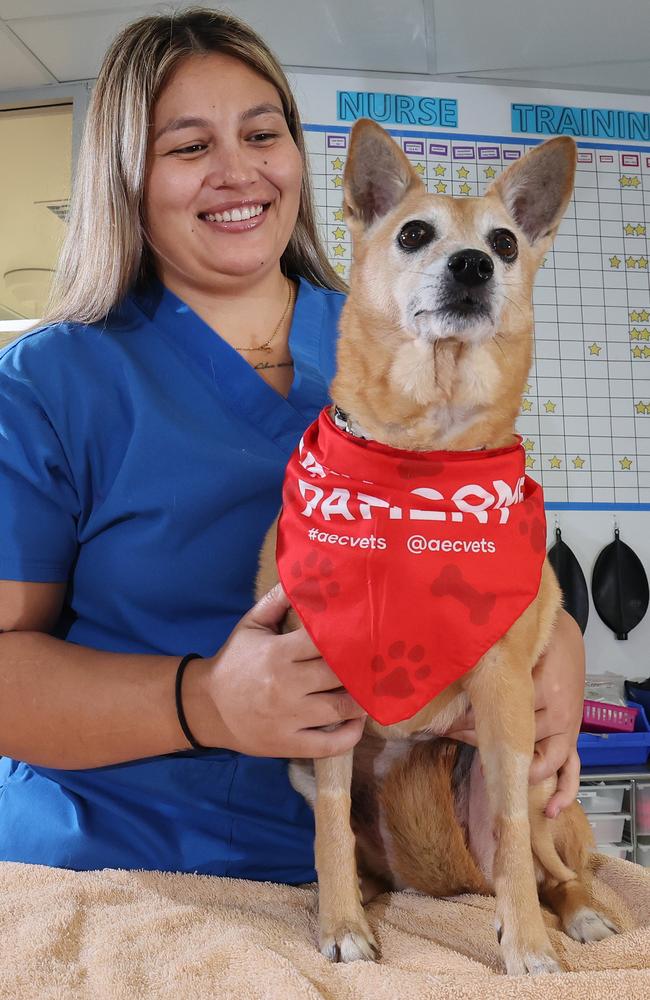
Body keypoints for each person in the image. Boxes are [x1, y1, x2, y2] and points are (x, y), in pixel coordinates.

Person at [0, 7, 585, 882]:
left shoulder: (408, 340)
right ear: (127, 176)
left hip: (377, 869)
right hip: (118, 862)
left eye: (262, 133)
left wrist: (559, 652)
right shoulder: (47, 385)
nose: (238, 171)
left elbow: (483, 549)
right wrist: (205, 704)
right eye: (188, 146)